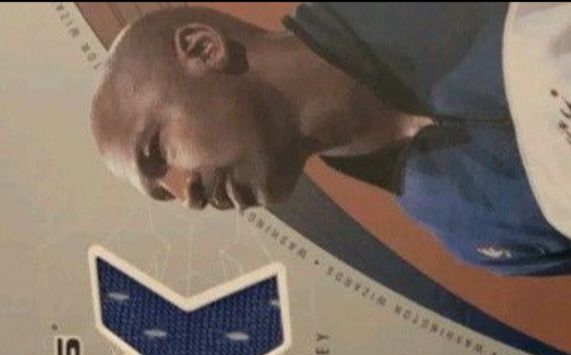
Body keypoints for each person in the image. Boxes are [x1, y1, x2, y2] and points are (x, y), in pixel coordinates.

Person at [90, 3, 571, 276]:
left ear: (203, 48)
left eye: (158, 153)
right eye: (166, 192)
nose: (189, 197)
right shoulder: (469, 233)